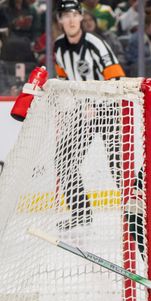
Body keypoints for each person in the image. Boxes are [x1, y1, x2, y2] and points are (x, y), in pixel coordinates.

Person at [53, 0, 125, 230]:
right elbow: (65, 80)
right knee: (64, 158)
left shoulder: (96, 44)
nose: (71, 19)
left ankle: (136, 210)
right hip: (82, 111)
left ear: (82, 17)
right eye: (66, 15)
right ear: (60, 20)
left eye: (75, 14)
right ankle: (80, 212)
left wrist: (99, 101)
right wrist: (68, 106)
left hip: (108, 108)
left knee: (118, 164)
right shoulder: (58, 47)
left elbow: (116, 78)